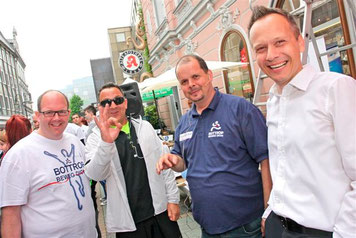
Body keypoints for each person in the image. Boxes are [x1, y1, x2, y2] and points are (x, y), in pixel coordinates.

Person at [248, 6, 356, 238]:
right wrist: (270, 211)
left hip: (324, 232)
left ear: (299, 42)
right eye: (261, 48)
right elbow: (284, 165)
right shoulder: (275, 99)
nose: (271, 55)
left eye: (279, 42)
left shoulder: (335, 89)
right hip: (279, 227)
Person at [156, 55, 272, 237]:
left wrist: (269, 211)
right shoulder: (185, 122)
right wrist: (172, 159)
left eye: (196, 77)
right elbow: (182, 162)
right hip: (207, 228)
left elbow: (267, 161)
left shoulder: (240, 109)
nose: (191, 84)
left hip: (246, 227)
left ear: (209, 75)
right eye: (184, 81)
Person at [85, 83, 181, 237]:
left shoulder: (146, 127)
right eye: (106, 102)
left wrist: (173, 199)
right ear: (99, 107)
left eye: (117, 100)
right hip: (128, 224)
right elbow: (96, 175)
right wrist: (106, 142)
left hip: (160, 213)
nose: (112, 105)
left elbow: (165, 166)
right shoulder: (95, 139)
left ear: (125, 102)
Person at [0, 90, 97, 237]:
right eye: (49, 113)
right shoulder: (19, 155)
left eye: (62, 112)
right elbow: (10, 216)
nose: (56, 118)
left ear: (69, 113)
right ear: (37, 115)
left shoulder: (75, 142)